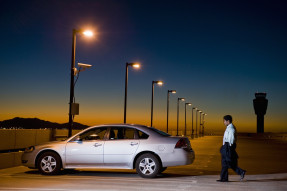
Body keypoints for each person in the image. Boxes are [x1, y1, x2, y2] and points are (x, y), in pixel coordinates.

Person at [217, 115, 246, 182]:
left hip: (228, 147)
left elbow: (231, 139)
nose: (223, 122)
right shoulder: (228, 127)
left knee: (227, 163)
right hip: (226, 146)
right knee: (226, 163)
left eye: (224, 121)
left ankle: (225, 178)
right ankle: (224, 178)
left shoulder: (231, 128)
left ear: (228, 121)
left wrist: (228, 147)